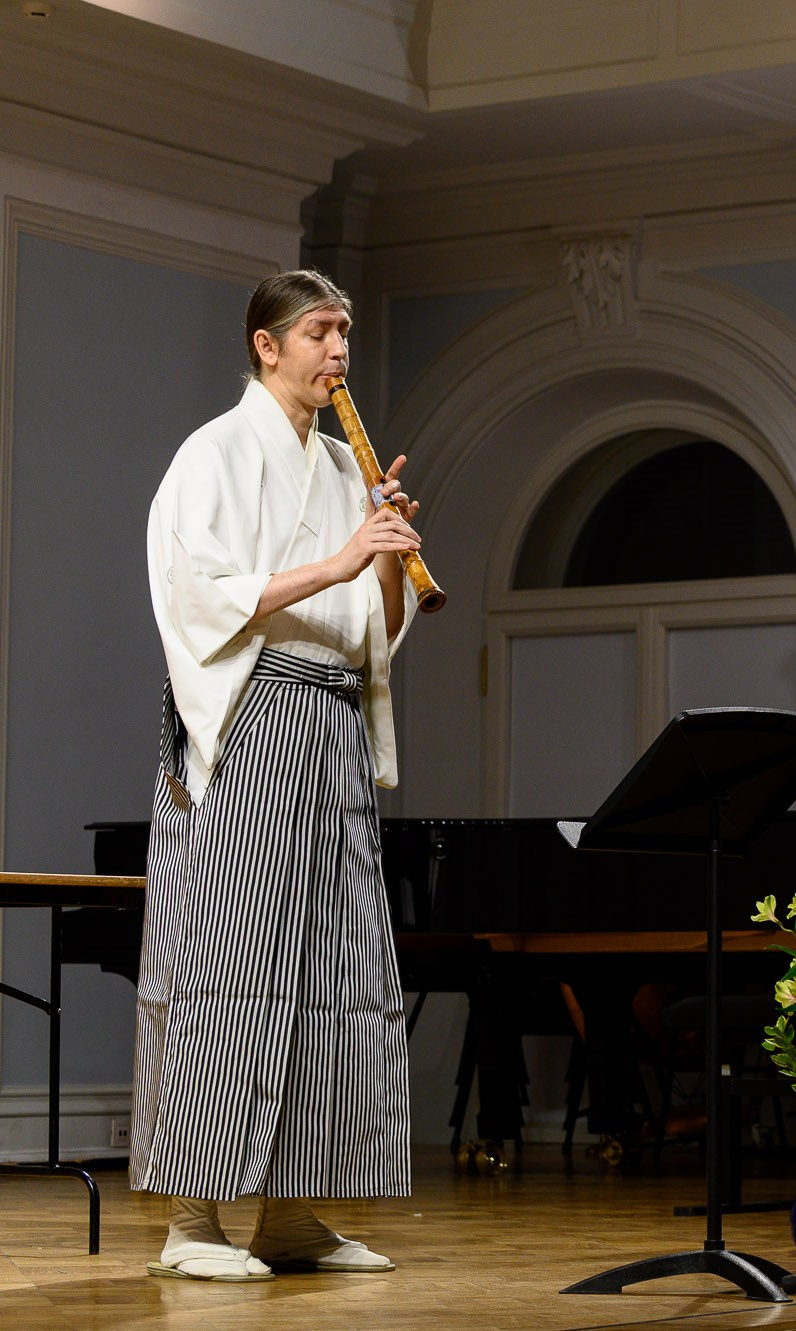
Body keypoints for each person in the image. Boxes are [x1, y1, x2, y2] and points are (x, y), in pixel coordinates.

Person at [129, 269, 424, 1281]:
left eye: (344, 331)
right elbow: (199, 594)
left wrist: (384, 553)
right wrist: (340, 559)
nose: (338, 351)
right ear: (267, 345)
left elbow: (374, 632)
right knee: (228, 965)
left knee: (330, 972)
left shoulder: (345, 464)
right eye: (318, 332)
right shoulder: (212, 453)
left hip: (333, 714)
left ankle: (291, 1212)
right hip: (253, 711)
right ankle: (192, 1220)